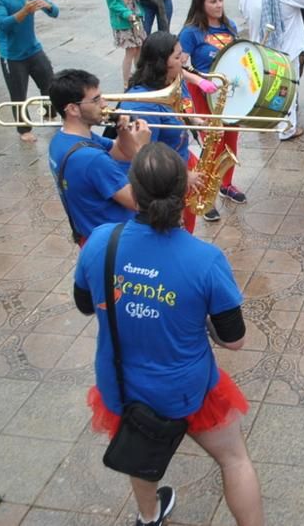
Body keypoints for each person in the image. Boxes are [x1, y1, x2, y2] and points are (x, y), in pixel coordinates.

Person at [74, 143, 263, 526]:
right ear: (186, 189)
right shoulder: (205, 260)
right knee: (234, 458)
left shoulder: (99, 241)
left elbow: (84, 304)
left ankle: (149, 516)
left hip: (122, 385)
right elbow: (234, 340)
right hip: (187, 390)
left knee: (140, 446)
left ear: (134, 190)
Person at [47, 69, 149, 244]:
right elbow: (138, 201)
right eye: (96, 100)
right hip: (114, 242)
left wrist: (122, 130)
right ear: (72, 109)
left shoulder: (63, 138)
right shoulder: (91, 158)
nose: (104, 104)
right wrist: (143, 150)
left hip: (91, 235)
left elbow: (122, 153)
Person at [179, 0, 249, 221]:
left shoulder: (229, 26)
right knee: (212, 144)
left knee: (231, 139)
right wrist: (198, 82)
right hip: (204, 94)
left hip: (229, 94)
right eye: (213, 1)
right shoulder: (190, 33)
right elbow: (178, 66)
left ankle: (226, 184)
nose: (219, 5)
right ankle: (204, 194)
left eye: (220, 0)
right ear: (201, 4)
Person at [120, 33, 200, 233]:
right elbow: (147, 160)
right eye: (177, 56)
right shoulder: (142, 105)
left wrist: (195, 120)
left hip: (180, 161)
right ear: (160, 63)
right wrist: (182, 178)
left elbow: (181, 110)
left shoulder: (174, 79)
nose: (184, 60)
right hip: (165, 181)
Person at [239, 0, 304, 142]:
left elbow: (242, 9)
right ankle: (287, 128)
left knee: (265, 86)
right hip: (286, 48)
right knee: (287, 88)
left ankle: (264, 121)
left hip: (262, 46)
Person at [0, 0, 58, 144]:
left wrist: (48, 6)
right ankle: (24, 130)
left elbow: (55, 12)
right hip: (12, 55)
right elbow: (4, 24)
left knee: (50, 84)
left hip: (33, 49)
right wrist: (24, 11)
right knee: (18, 94)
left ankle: (50, 116)